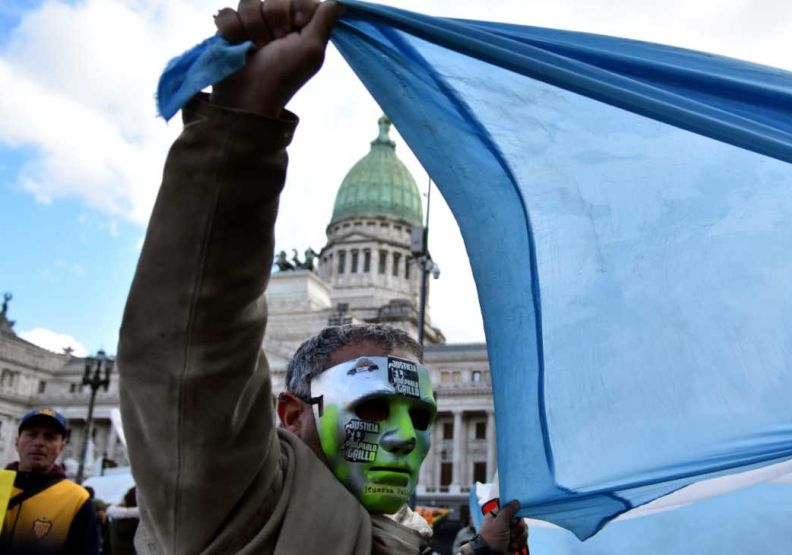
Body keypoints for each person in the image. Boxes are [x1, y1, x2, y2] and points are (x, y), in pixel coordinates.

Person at [117, 1, 526, 553]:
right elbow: (191, 347)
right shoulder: (238, 510)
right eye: (372, 407)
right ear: (290, 414)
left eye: (419, 414)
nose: (405, 438)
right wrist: (245, 124)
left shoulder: (397, 535)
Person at [1, 408, 101, 554]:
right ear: (17, 442)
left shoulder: (77, 499)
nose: (39, 443)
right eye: (32, 434)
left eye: (49, 437)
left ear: (61, 447)